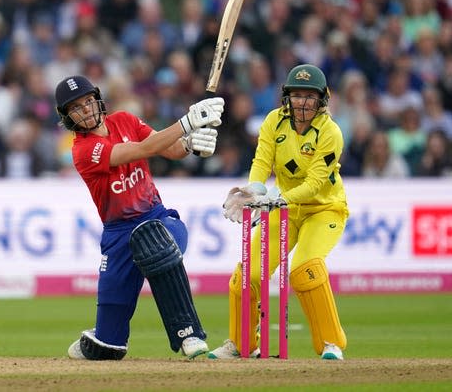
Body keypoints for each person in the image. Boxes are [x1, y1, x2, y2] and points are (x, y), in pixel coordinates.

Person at [54, 75, 224, 361]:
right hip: (118, 235)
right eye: (76, 107)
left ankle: (189, 332)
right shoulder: (83, 151)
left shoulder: (126, 120)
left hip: (159, 219)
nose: (85, 110)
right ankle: (99, 338)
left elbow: (169, 149)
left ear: (97, 100)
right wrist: (186, 124)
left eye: (87, 101)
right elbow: (144, 149)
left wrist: (191, 143)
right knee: (110, 347)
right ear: (67, 117)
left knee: (154, 242)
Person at [208, 64, 349, 361]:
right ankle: (242, 344)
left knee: (305, 269)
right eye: (297, 95)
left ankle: (330, 343)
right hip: (284, 208)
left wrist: (277, 198)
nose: (302, 103)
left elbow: (313, 184)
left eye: (309, 97)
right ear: (287, 97)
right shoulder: (274, 121)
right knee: (248, 273)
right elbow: (262, 161)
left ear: (322, 99)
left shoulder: (330, 132)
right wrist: (255, 190)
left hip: (324, 209)